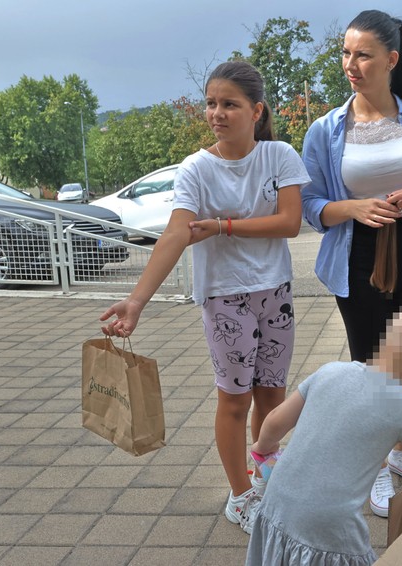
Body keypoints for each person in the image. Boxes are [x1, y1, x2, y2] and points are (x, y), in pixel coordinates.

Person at [99, 61, 310, 535]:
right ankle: (241, 497)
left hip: (274, 291)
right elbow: (177, 232)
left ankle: (267, 478)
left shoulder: (278, 156)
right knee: (235, 402)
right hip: (225, 298)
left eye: (229, 104)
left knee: (271, 398)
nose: (217, 113)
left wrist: (222, 226)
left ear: (256, 111)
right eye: (211, 103)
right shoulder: (196, 168)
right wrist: (136, 301)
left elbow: (290, 222)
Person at [301, 9, 402, 517]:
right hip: (358, 257)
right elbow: (310, 206)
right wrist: (351, 207)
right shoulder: (326, 130)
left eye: (362, 54)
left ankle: (401, 454)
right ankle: (373, 465)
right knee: (370, 367)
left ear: (391, 59)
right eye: (346, 53)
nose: (351, 63)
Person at [245, 305, 402, 566]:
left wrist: (263, 447)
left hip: (276, 505)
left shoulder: (329, 371)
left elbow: (275, 421)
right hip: (331, 527)